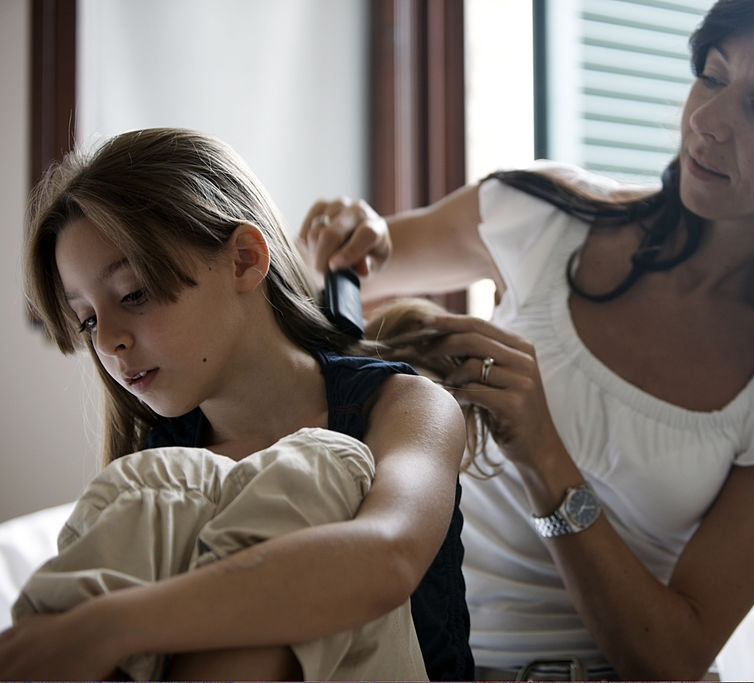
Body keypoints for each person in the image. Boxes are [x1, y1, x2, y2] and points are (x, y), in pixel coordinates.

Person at [297, 0, 754, 679]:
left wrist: (544, 455)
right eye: (711, 75)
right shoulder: (543, 215)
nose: (707, 121)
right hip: (388, 652)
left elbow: (669, 659)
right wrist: (344, 231)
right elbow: (337, 272)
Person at [1, 128, 473, 680]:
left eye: (134, 294)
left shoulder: (404, 406)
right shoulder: (155, 476)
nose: (107, 341)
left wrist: (108, 626)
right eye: (87, 320)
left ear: (245, 260)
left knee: (314, 468)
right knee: (148, 490)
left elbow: (388, 556)